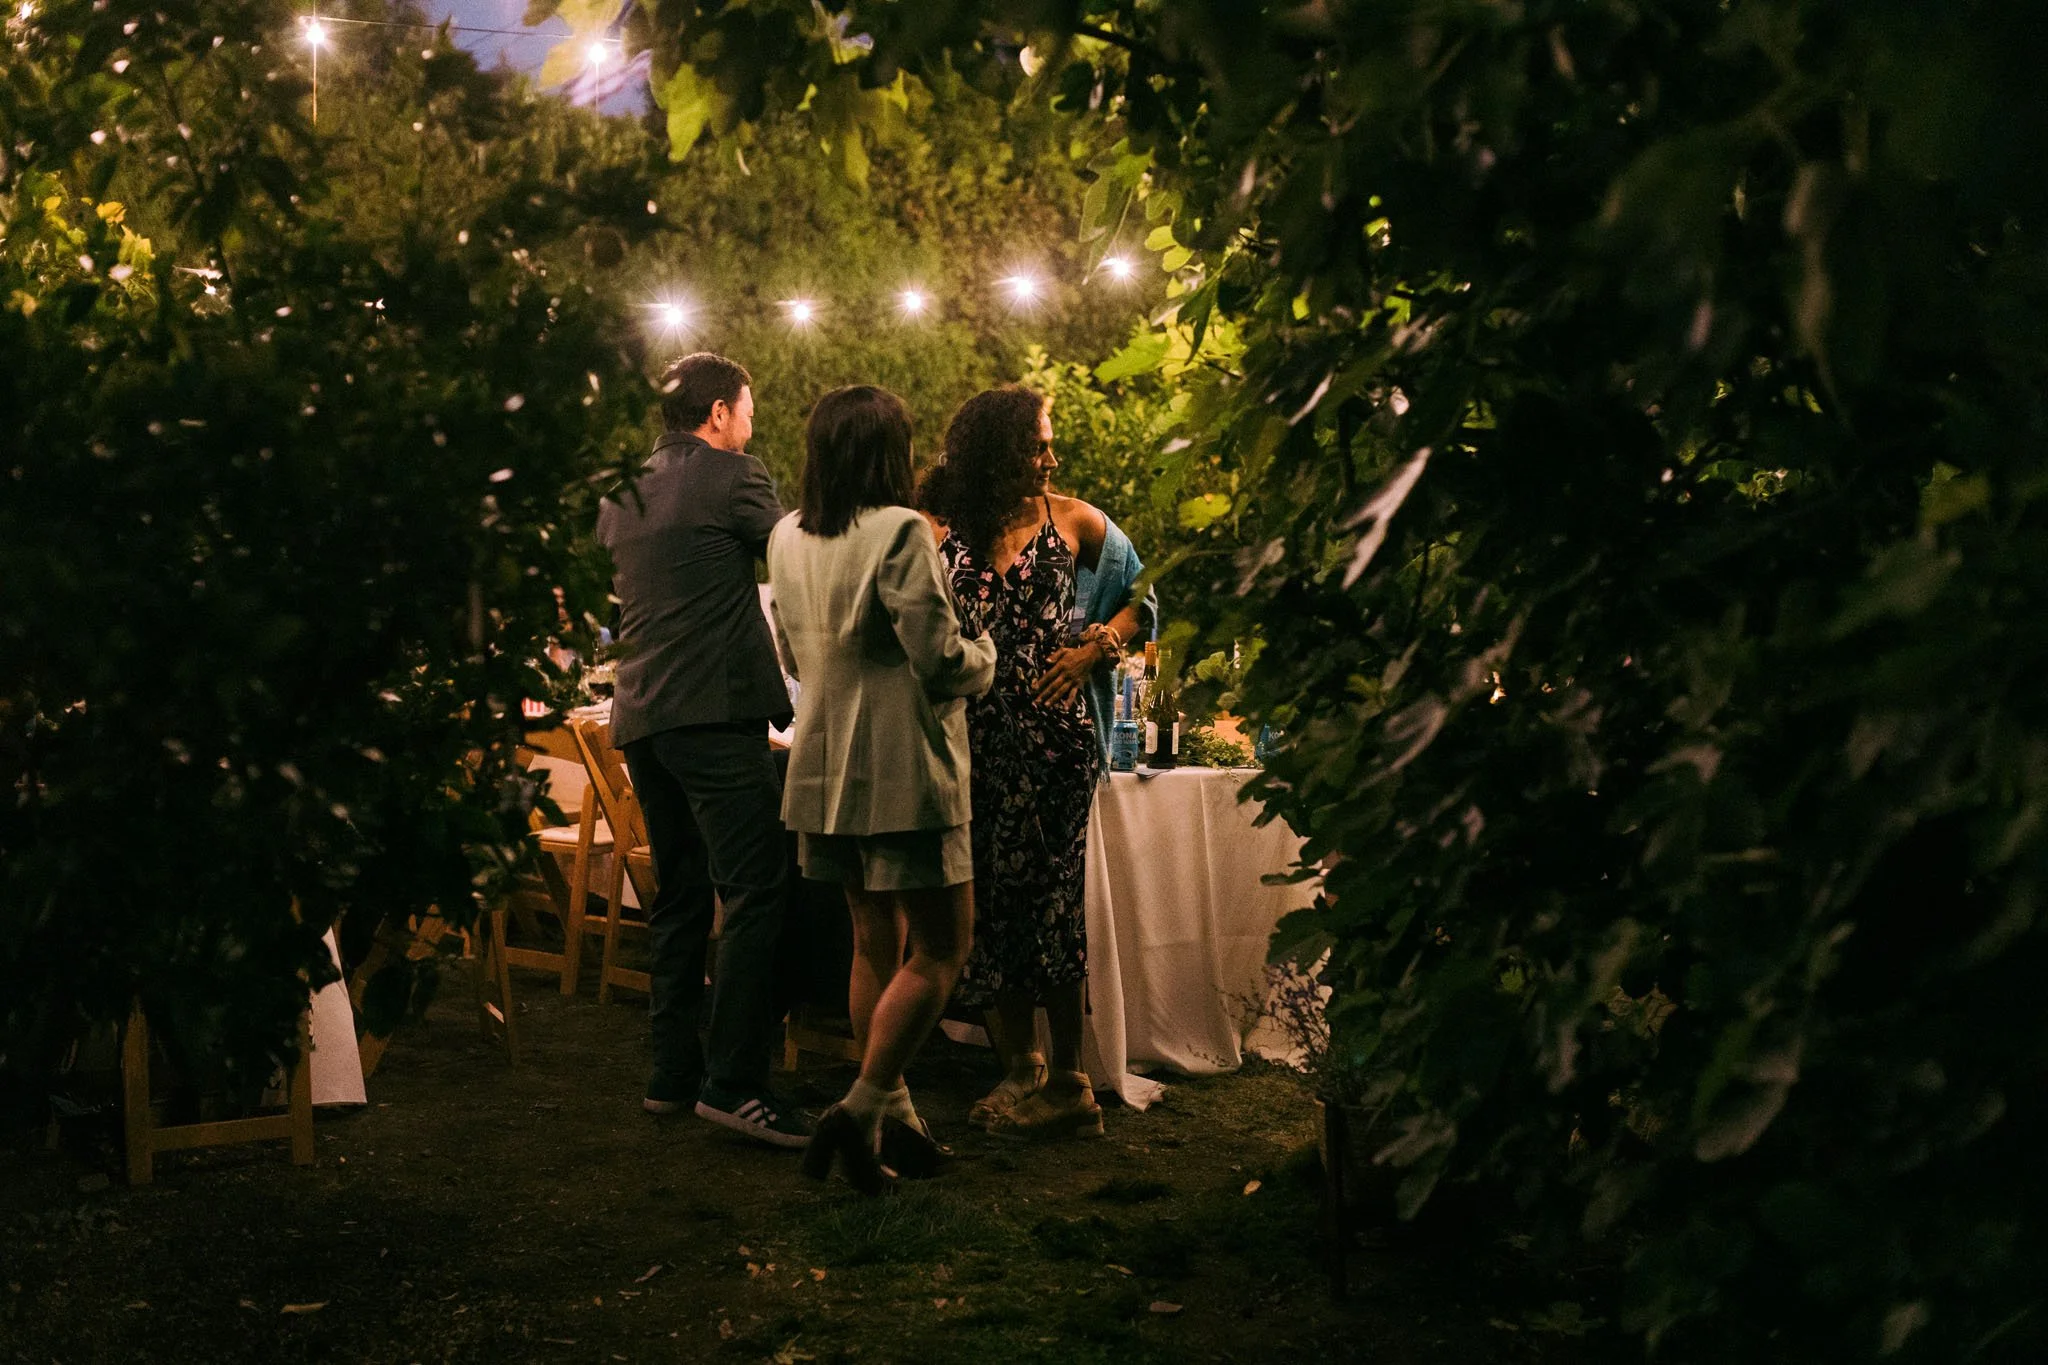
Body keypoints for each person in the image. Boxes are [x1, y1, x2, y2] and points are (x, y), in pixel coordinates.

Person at [766, 386, 996, 1194]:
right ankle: (860, 1105)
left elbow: (791, 656)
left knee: (874, 943)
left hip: (825, 766)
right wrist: (988, 655)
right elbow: (940, 658)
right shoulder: (901, 528)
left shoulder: (785, 534)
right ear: (888, 452)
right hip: (903, 769)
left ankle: (893, 1120)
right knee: (942, 948)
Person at [595, 351, 808, 1148]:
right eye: (747, 409)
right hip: (714, 714)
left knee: (680, 894)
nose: (751, 423)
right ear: (718, 412)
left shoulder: (622, 490)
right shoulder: (732, 474)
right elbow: (795, 559)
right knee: (755, 887)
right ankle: (736, 1082)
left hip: (641, 715)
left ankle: (671, 1074)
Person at [920, 386, 1145, 1139]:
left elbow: (1144, 598)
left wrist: (1095, 648)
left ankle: (1072, 1081)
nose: (1051, 459)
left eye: (1049, 445)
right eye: (1036, 446)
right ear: (996, 453)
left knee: (1053, 902)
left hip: (1054, 744)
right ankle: (1021, 1067)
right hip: (970, 742)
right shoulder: (945, 528)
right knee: (988, 905)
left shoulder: (1074, 520)